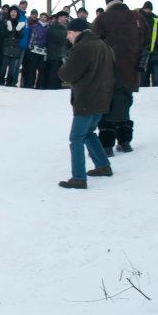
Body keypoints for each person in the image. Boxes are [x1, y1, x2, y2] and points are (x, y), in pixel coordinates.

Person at [57, 19, 115, 190]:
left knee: (76, 138)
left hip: (86, 99)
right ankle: (103, 166)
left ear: (78, 32)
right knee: (89, 132)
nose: (67, 36)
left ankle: (78, 178)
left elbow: (67, 74)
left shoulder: (82, 47)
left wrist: (63, 66)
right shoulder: (102, 44)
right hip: (102, 98)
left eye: (69, 32)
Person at [90, 0, 146, 155]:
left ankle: (106, 146)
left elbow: (93, 43)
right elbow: (147, 41)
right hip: (131, 70)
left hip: (108, 70)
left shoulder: (102, 19)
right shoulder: (138, 17)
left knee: (106, 107)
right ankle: (125, 142)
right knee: (124, 104)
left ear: (107, 2)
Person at [22, 11, 50, 88]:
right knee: (32, 68)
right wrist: (30, 46)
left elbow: (48, 39)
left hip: (43, 51)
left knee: (41, 70)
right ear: (39, 18)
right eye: (42, 17)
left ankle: (39, 85)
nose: (43, 18)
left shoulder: (48, 28)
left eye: (45, 17)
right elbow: (31, 37)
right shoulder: (35, 26)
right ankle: (30, 84)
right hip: (34, 49)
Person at [0, 6, 25, 86]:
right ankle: (0, 80)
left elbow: (21, 36)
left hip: (15, 49)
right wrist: (8, 29)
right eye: (12, 12)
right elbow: (2, 34)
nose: (13, 13)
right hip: (6, 47)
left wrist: (19, 30)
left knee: (12, 68)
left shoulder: (19, 24)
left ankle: (10, 82)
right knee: (3, 66)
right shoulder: (5, 22)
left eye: (15, 12)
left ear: (17, 14)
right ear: (9, 13)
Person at [45, 11, 69, 89]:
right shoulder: (54, 27)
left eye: (66, 17)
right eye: (63, 17)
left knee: (58, 74)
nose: (65, 19)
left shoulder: (64, 28)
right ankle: (52, 88)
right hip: (53, 55)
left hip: (60, 55)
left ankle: (57, 88)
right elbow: (60, 39)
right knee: (53, 74)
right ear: (59, 18)